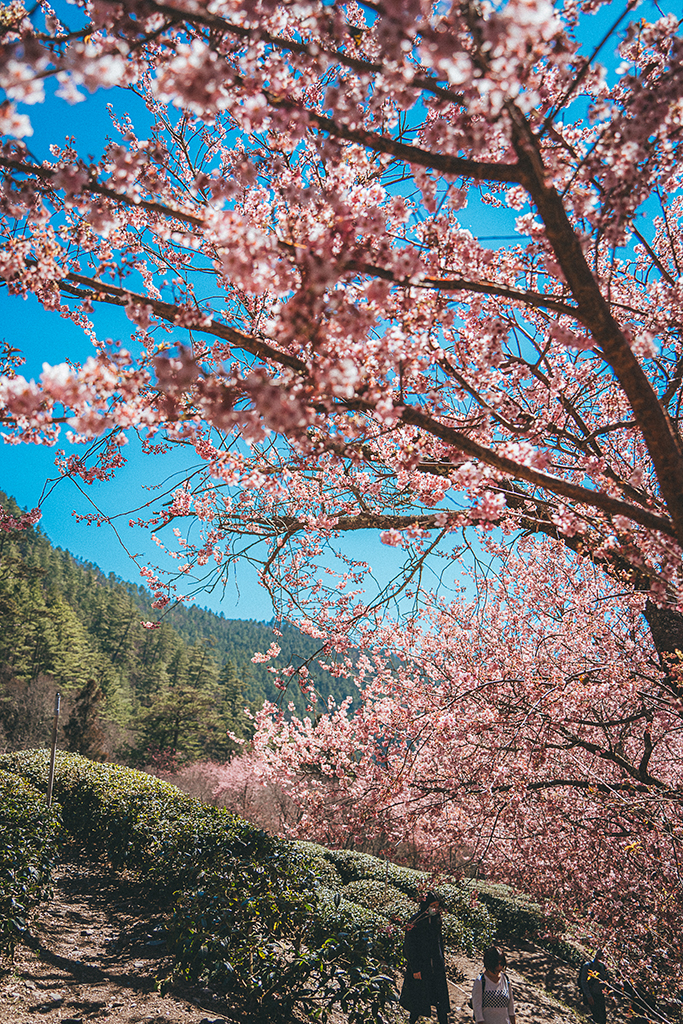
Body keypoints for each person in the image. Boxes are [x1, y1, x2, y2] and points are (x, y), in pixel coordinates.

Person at [399, 891, 451, 1024]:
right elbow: (410, 947)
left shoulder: (436, 920)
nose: (435, 908)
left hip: (436, 967)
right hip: (422, 967)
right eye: (432, 905)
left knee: (440, 1001)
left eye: (437, 905)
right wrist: (415, 968)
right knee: (418, 1000)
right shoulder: (416, 921)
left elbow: (439, 943)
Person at [471, 946, 516, 1024]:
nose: (499, 966)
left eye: (501, 963)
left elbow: (511, 1007)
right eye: (496, 964)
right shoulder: (481, 981)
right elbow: (477, 1009)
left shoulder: (506, 979)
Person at [579, 949, 609, 1024]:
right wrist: (588, 996)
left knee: (602, 1018)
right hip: (591, 993)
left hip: (600, 994)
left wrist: (611, 995)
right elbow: (583, 981)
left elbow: (606, 982)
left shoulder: (603, 968)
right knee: (596, 1016)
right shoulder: (588, 966)